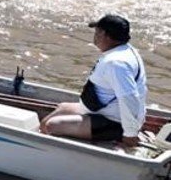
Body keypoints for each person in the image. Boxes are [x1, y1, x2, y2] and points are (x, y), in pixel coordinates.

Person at [39, 14, 149, 149]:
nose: (95, 36)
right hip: (103, 112)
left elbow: (129, 98)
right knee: (61, 108)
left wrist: (130, 134)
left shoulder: (116, 63)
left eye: (97, 32)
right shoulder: (125, 50)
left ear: (105, 35)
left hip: (114, 122)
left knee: (52, 125)